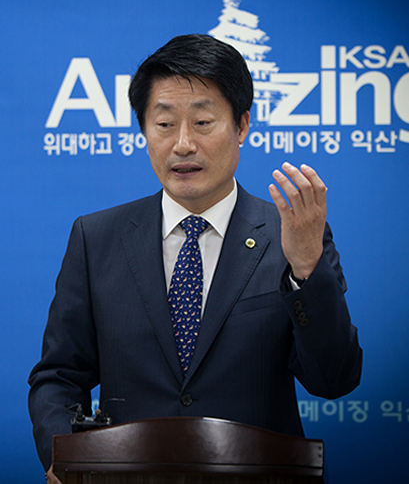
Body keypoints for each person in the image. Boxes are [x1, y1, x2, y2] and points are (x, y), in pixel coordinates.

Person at [28, 34, 362, 482]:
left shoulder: (292, 236)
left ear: (241, 125)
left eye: (203, 122)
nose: (183, 144)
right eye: (164, 124)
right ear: (144, 130)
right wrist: (63, 455)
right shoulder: (96, 238)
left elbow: (335, 380)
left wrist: (305, 270)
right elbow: (58, 376)